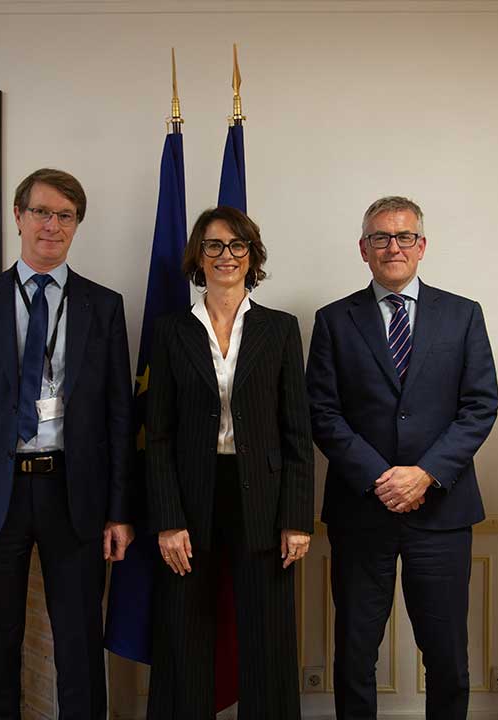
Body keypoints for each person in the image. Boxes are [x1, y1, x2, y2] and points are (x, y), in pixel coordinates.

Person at [0, 168, 135, 719]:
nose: (52, 225)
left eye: (65, 216)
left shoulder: (103, 305)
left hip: (74, 491)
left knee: (79, 646)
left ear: (76, 225)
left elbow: (120, 416)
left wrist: (120, 511)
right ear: (18, 216)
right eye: (41, 212)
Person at [307, 196, 498, 719]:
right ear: (363, 249)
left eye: (404, 236)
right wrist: (380, 477)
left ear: (422, 246)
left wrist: (426, 474)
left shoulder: (463, 315)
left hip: (442, 513)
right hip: (360, 512)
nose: (393, 247)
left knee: (446, 655)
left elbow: (480, 406)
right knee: (355, 653)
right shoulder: (333, 320)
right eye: (381, 238)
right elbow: (322, 411)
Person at [145, 206, 313, 719]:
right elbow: (158, 436)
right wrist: (168, 519)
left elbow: (297, 433)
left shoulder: (280, 329)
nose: (226, 255)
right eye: (214, 245)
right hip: (190, 497)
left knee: (267, 634)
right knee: (184, 631)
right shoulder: (170, 331)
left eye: (237, 245)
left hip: (263, 497)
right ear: (199, 255)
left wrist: (297, 519)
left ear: (251, 256)